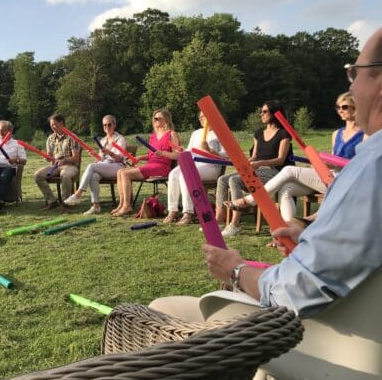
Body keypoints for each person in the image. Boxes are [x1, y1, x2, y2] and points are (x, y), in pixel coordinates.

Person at [149, 27, 382, 320]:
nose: (352, 88)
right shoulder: (368, 166)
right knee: (238, 180)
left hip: (317, 333)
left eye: (354, 73)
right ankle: (230, 213)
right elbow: (356, 238)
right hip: (352, 319)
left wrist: (235, 271)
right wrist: (310, 234)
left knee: (161, 309)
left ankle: (240, 208)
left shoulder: (372, 167)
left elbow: (298, 290)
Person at [227, 92, 364, 220]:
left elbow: (363, 164)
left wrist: (334, 165)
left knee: (289, 170)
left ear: (356, 108)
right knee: (286, 188)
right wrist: (320, 164)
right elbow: (333, 159)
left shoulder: (364, 134)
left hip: (346, 181)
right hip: (328, 177)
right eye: (338, 107)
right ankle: (289, 231)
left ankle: (249, 200)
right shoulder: (336, 134)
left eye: (344, 107)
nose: (340, 110)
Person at [214, 100, 293, 236]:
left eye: (264, 111)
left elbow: (280, 159)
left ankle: (235, 224)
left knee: (234, 180)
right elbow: (254, 156)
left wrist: (259, 163)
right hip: (257, 169)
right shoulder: (259, 133)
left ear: (275, 113)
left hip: (274, 172)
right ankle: (219, 221)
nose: (261, 114)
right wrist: (242, 162)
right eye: (261, 112)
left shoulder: (284, 134)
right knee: (222, 179)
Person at [111, 108, 180, 217]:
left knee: (125, 173)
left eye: (158, 118)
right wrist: (139, 158)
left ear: (166, 120)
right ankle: (121, 204)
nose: (155, 120)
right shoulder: (153, 136)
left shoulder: (171, 134)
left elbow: (177, 155)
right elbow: (151, 156)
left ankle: (127, 206)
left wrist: (163, 153)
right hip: (151, 165)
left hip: (162, 167)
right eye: (154, 118)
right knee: (120, 171)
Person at [163, 111, 226, 225]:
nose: (201, 118)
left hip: (211, 167)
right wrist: (182, 151)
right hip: (194, 164)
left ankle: (188, 213)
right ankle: (172, 211)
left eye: (203, 116)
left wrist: (210, 150)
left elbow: (226, 155)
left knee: (185, 175)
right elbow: (189, 151)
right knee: (173, 174)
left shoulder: (220, 133)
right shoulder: (196, 133)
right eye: (200, 116)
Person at [62, 115, 127, 215]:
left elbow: (119, 159)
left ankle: (78, 194)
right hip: (106, 165)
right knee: (94, 176)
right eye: (104, 125)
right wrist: (95, 155)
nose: (107, 127)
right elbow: (101, 159)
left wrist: (109, 152)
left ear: (114, 125)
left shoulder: (120, 139)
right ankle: (96, 206)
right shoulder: (103, 140)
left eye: (109, 124)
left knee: (91, 166)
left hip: (118, 166)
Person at [34, 114, 81, 210]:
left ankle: (66, 203)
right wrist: (46, 157)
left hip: (70, 166)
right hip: (55, 167)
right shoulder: (51, 138)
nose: (53, 127)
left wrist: (64, 161)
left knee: (65, 175)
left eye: (55, 124)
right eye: (51, 125)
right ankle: (52, 201)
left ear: (62, 123)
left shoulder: (72, 137)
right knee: (38, 175)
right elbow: (49, 156)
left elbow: (76, 158)